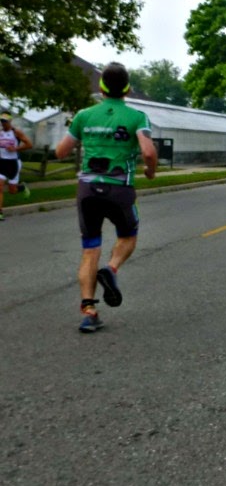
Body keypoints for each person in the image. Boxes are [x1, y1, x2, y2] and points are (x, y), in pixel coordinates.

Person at [55, 62, 158, 333]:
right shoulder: (137, 116)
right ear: (127, 89)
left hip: (88, 190)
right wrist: (150, 171)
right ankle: (111, 269)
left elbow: (61, 152)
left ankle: (89, 312)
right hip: (119, 189)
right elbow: (148, 152)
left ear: (101, 88)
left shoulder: (84, 115)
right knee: (128, 236)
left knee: (90, 249)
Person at [0, 110, 32, 221]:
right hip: (2, 162)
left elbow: (29, 144)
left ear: (10, 121)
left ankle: (22, 187)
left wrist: (15, 149)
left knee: (12, 190)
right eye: (1, 121)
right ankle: (0, 213)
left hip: (14, 163)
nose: (3, 123)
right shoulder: (0, 133)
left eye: (5, 121)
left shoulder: (16, 133)